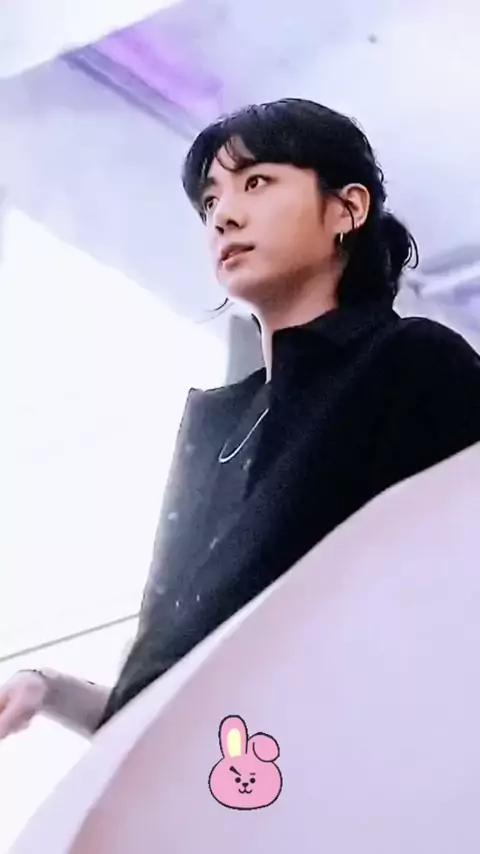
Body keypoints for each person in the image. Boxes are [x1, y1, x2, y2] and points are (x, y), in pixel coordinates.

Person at [2, 98, 480, 740]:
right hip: (221, 782)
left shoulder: (409, 363)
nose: (223, 215)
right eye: (209, 201)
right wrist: (48, 687)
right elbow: (164, 696)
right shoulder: (216, 431)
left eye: (257, 182)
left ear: (347, 209)